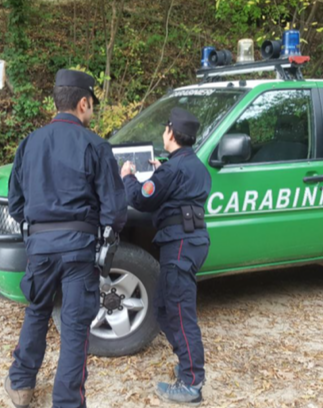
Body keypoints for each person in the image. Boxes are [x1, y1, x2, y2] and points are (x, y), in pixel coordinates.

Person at [5, 69, 128, 408]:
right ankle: (67, 402)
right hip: (79, 250)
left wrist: (39, 229)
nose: (93, 112)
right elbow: (115, 209)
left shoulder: (29, 143)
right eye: (92, 106)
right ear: (83, 103)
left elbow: (16, 204)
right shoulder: (96, 145)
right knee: (75, 328)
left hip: (40, 248)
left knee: (37, 311)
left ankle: (20, 385)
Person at [120, 107, 211, 406]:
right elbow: (177, 188)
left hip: (181, 243)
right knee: (162, 307)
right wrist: (161, 171)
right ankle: (187, 365)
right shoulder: (193, 165)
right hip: (190, 240)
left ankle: (192, 381)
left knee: (179, 312)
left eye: (164, 129)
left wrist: (128, 176)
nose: (163, 133)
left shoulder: (173, 170)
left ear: (171, 133)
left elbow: (141, 198)